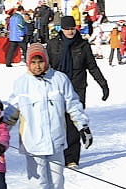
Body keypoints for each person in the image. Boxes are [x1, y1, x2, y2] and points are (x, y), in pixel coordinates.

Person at [6, 44, 91, 189]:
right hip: (32, 142)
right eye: (33, 62)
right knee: (37, 182)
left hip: (56, 140)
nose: (37, 66)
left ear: (47, 61)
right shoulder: (22, 83)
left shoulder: (60, 80)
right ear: (28, 63)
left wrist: (83, 127)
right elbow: (11, 111)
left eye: (40, 61)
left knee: (56, 180)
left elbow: (73, 104)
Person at [45, 15, 110, 166]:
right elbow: (46, 67)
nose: (70, 32)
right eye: (67, 29)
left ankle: (72, 158)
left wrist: (103, 84)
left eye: (72, 28)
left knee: (75, 122)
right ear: (61, 29)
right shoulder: (53, 44)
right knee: (56, 121)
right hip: (56, 88)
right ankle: (55, 153)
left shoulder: (83, 45)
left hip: (77, 88)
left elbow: (92, 67)